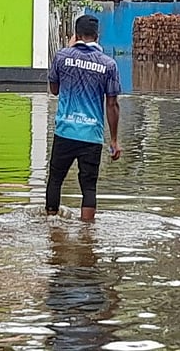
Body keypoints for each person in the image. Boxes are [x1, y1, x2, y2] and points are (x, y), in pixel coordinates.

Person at [46, 14, 121, 222]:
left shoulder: (62, 57)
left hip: (65, 131)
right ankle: (87, 231)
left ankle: (51, 225)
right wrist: (114, 140)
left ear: (76, 35)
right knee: (89, 186)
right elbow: (112, 104)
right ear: (98, 36)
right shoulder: (109, 64)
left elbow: (54, 90)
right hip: (92, 135)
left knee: (55, 180)